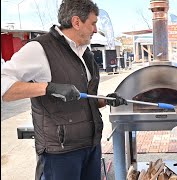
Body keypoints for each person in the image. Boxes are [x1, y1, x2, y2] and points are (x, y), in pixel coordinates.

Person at [1, 0, 127, 179]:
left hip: (90, 146)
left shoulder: (86, 54)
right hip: (60, 153)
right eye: (93, 23)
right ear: (76, 22)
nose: (95, 30)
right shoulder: (40, 48)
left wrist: (106, 100)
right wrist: (48, 88)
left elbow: (84, 99)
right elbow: (4, 86)